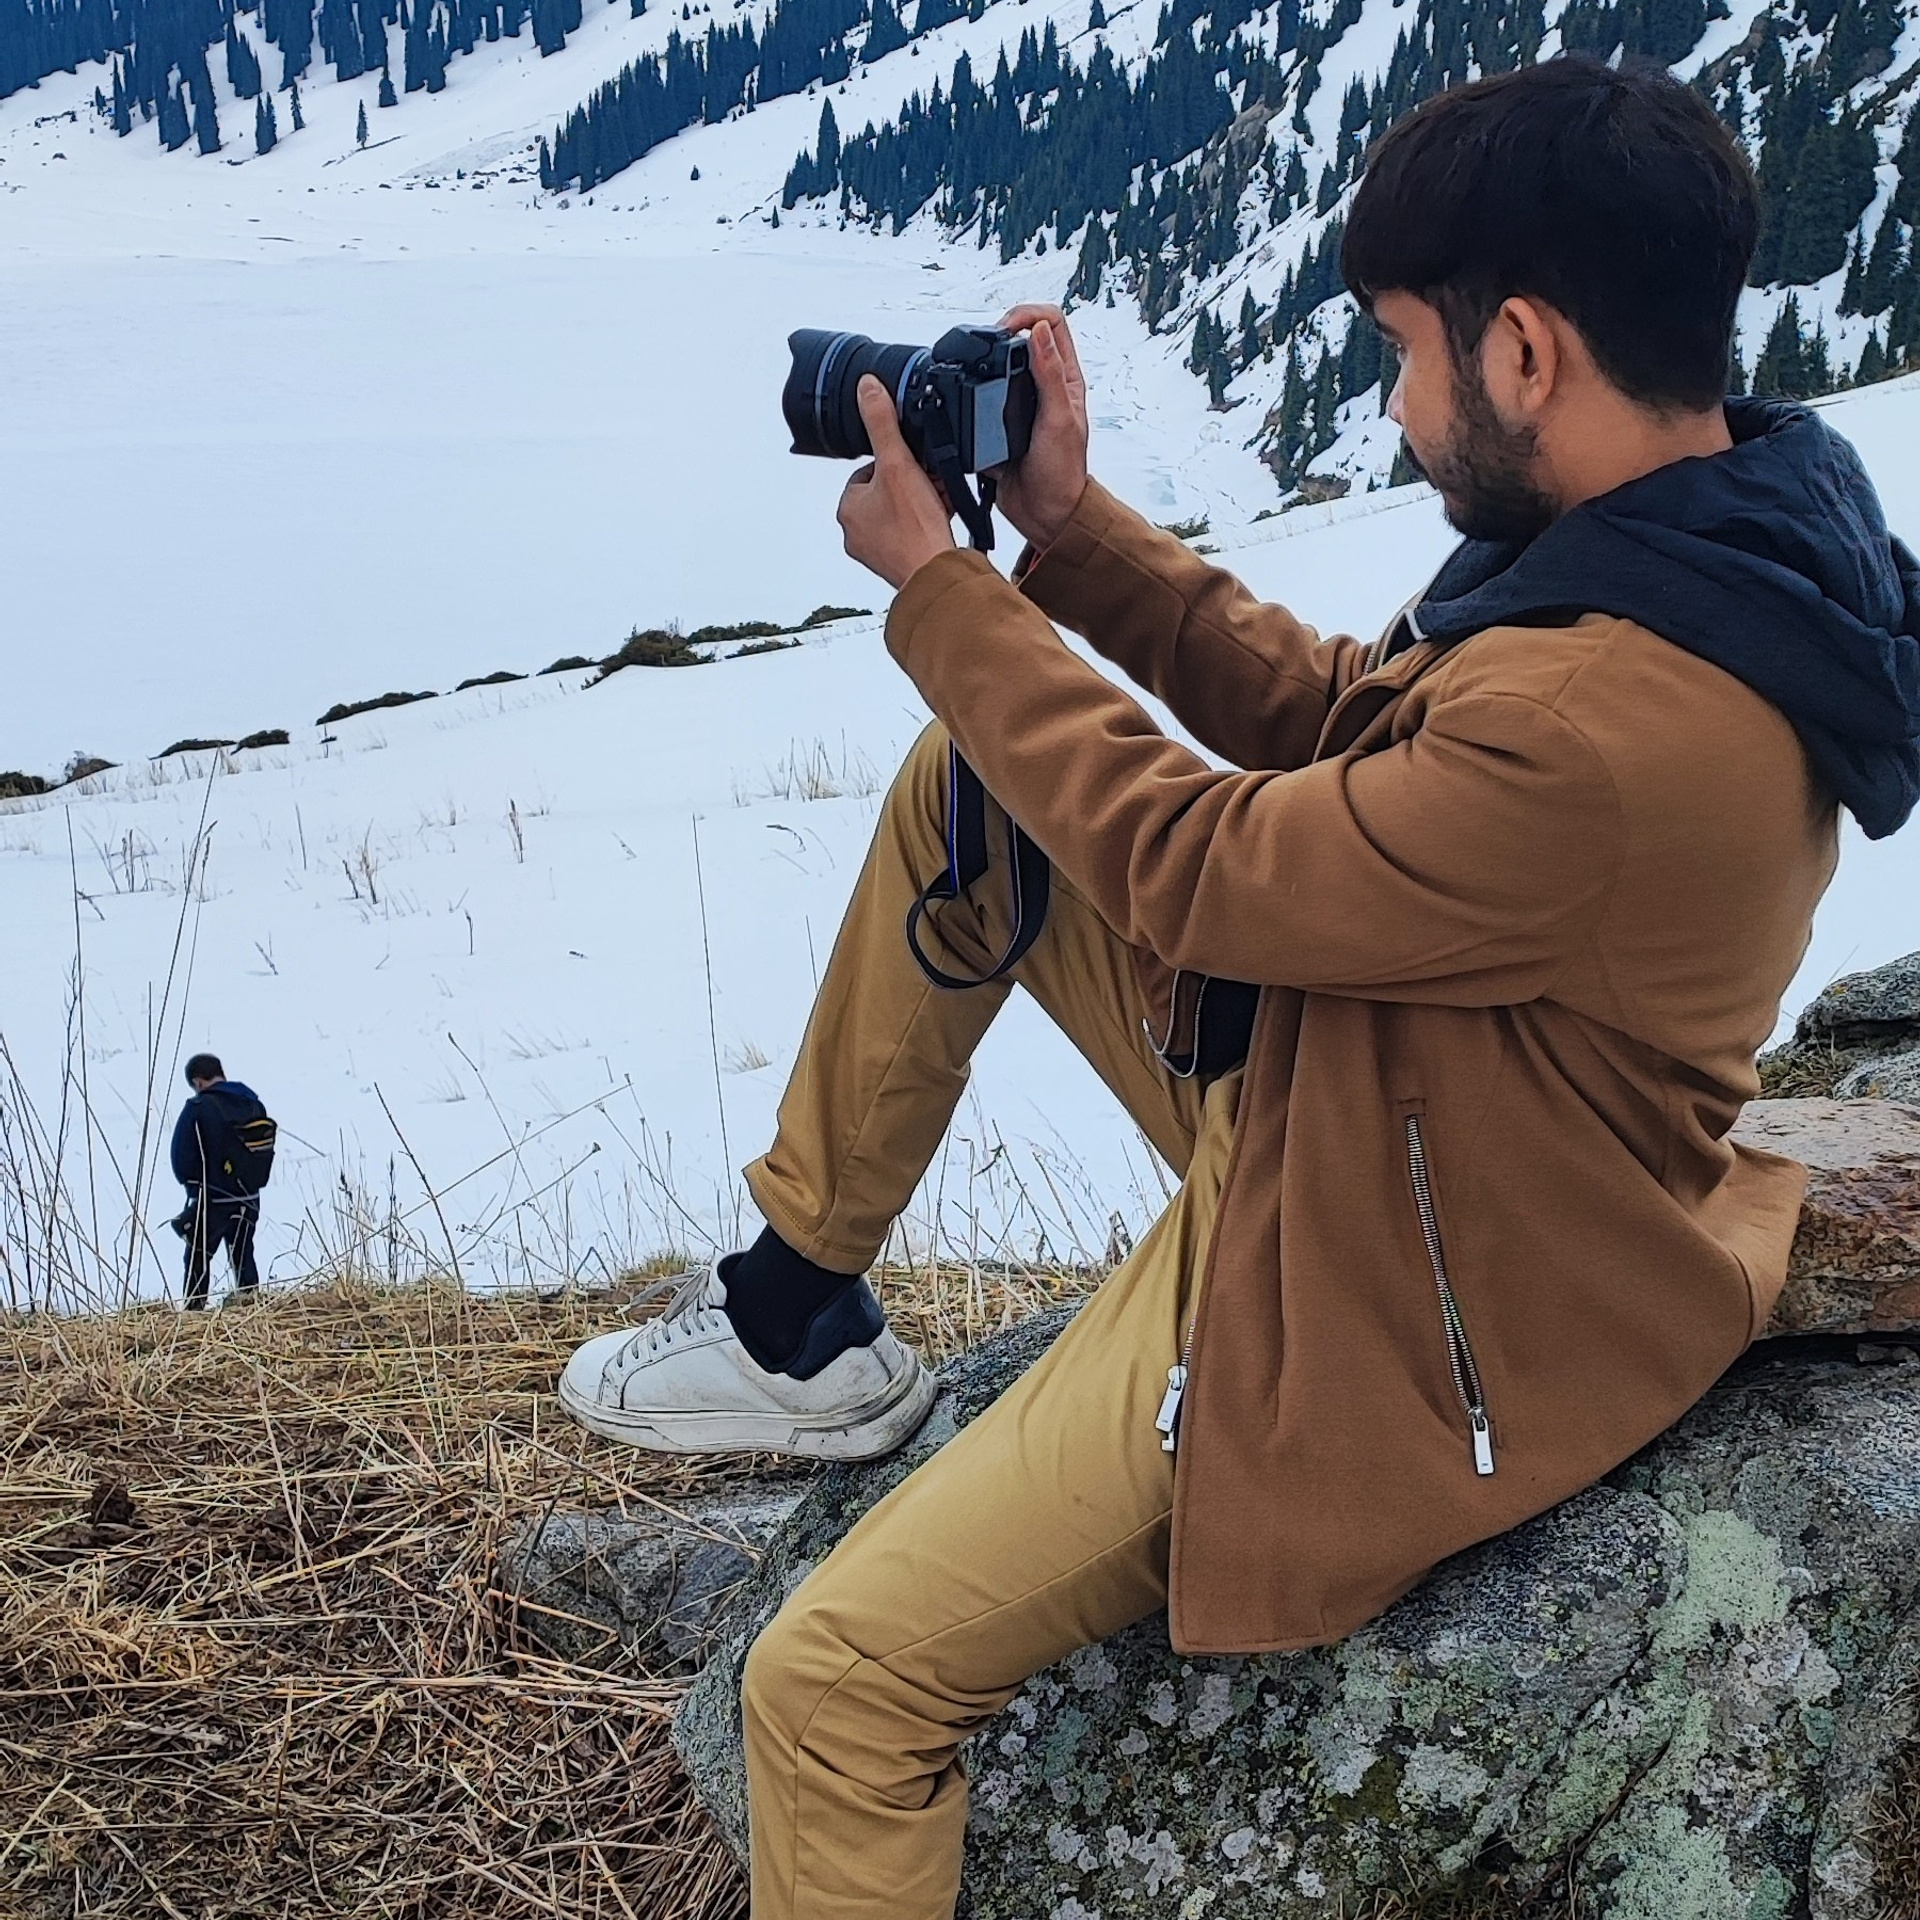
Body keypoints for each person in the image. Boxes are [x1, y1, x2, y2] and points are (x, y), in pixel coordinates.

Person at [561, 56, 1920, 1918]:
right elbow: (1351, 726)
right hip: (1390, 1106)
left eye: (1405, 352)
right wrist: (1070, 527)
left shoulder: (1608, 715)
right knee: (980, 791)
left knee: (830, 1690)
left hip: (1398, 1278)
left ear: (1526, 350)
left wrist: (947, 596)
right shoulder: (1690, 546)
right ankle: (801, 1315)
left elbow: (1202, 872)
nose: (1398, 402)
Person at [170, 1053, 268, 1310]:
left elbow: (181, 1158)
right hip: (249, 1197)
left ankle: (194, 1313)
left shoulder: (197, 1108)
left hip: (211, 1198)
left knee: (198, 1257)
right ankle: (251, 1307)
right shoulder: (253, 1103)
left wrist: (193, 1185)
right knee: (243, 1255)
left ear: (198, 1082)